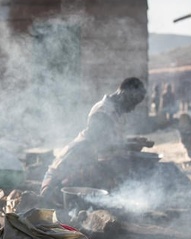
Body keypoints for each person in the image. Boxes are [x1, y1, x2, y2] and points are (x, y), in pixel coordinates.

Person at [39, 77, 147, 205]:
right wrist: (128, 146)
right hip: (70, 166)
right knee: (52, 201)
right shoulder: (103, 112)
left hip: (83, 165)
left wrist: (132, 141)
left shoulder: (114, 112)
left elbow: (109, 140)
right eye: (133, 102)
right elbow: (101, 145)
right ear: (124, 94)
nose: (132, 108)